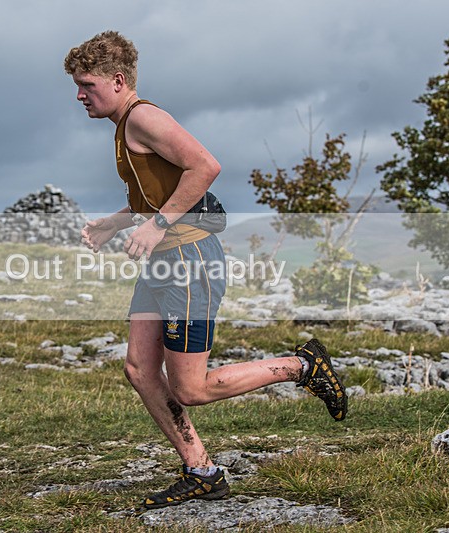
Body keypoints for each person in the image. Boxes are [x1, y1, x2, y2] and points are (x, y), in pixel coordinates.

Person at [64, 31, 347, 510]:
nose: (79, 95)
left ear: (117, 80)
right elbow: (158, 188)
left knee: (191, 388)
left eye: (87, 84)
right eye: (77, 85)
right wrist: (117, 223)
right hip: (164, 262)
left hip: (188, 261)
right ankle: (202, 471)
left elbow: (205, 167)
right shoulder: (124, 123)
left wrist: (155, 227)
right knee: (139, 368)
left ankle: (303, 366)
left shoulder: (144, 117)